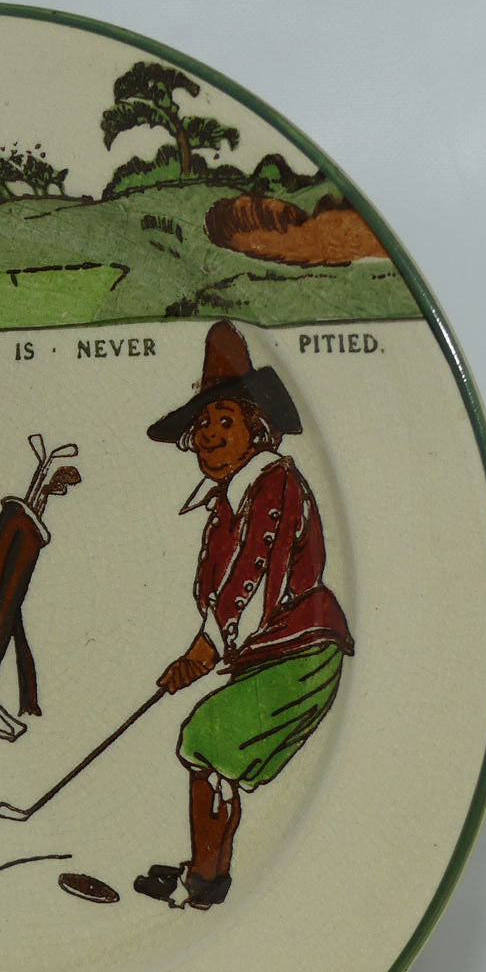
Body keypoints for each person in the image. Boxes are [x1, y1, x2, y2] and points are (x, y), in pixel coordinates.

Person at [135, 321, 354, 910]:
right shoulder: (226, 504)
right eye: (203, 424)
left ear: (257, 430)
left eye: (225, 420)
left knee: (206, 738)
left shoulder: (274, 482)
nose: (208, 434)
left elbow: (252, 585)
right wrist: (198, 653)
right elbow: (220, 598)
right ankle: (204, 872)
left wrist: (202, 654)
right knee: (206, 745)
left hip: (303, 653)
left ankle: (206, 881)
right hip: (272, 657)